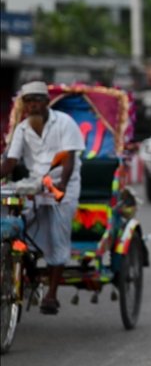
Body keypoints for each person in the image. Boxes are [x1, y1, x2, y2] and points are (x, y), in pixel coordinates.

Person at [0, 81, 85, 315]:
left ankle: (51, 294)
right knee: (18, 224)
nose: (33, 106)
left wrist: (62, 186)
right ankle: (19, 267)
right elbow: (10, 162)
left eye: (37, 101)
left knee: (57, 236)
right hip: (34, 186)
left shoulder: (64, 123)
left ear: (47, 102)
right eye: (28, 102)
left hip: (62, 185)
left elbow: (68, 158)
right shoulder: (22, 129)